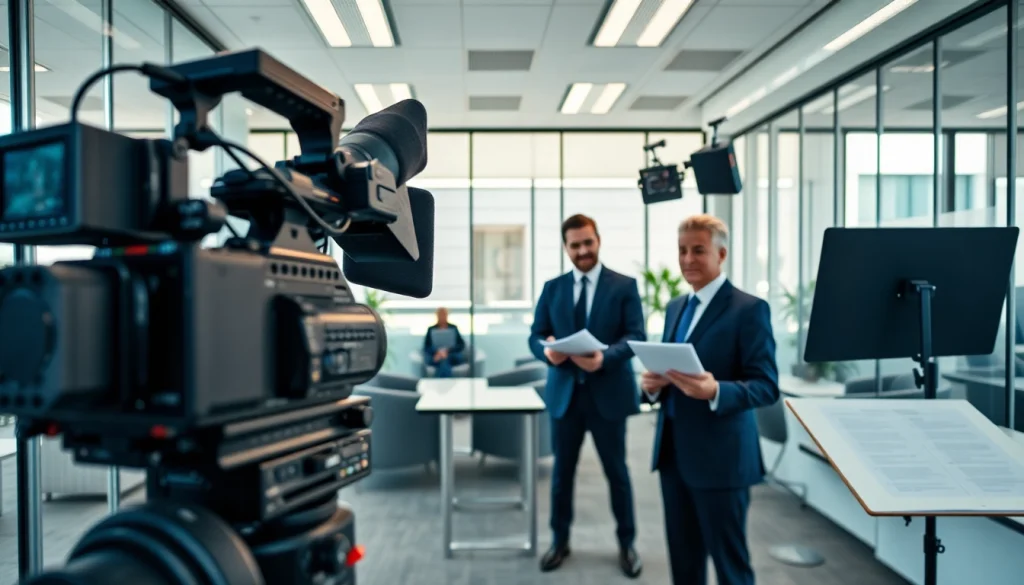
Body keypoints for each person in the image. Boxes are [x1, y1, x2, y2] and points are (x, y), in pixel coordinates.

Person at [641, 214, 779, 585]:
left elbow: (766, 386)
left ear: (722, 254)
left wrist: (715, 390)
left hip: (721, 463)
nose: (687, 259)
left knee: (731, 567)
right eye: (682, 250)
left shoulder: (749, 310)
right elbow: (671, 371)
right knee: (684, 567)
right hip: (673, 457)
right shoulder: (675, 307)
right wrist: (653, 386)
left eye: (698, 250)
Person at [528, 214, 645, 578]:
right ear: (566, 247)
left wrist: (604, 358)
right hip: (565, 396)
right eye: (575, 245)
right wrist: (546, 352)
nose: (582, 251)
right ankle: (559, 541)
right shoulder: (552, 288)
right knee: (562, 476)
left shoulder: (624, 286)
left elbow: (635, 335)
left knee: (617, 474)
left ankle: (627, 543)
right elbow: (536, 335)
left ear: (598, 240)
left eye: (587, 243)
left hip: (608, 394)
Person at [423, 307, 466, 378]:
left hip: (451, 355)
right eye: (440, 315)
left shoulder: (453, 328)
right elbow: (427, 347)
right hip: (436, 355)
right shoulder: (431, 329)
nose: (442, 317)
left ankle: (439, 384)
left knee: (444, 361)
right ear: (437, 316)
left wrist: (447, 351)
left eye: (444, 315)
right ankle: (447, 383)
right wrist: (438, 352)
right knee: (443, 361)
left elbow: (461, 345)